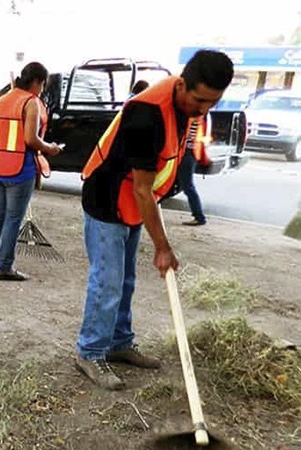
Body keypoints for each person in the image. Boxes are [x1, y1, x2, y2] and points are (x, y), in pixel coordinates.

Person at [75, 50, 233, 390]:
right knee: (108, 281)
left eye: (213, 103)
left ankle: (119, 343)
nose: (204, 110)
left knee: (126, 279)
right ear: (181, 85)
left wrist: (160, 239)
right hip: (107, 201)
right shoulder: (147, 113)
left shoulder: (185, 107)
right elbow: (143, 190)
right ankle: (90, 351)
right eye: (199, 100)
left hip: (132, 201)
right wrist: (163, 247)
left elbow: (148, 187)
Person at [0, 62, 63, 282]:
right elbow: (30, 139)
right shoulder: (31, 103)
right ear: (36, 81)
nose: (43, 89)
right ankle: (5, 266)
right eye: (43, 85)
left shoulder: (2, 99)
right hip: (19, 168)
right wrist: (50, 148)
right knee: (12, 218)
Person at [179, 118, 210, 226]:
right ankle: (199, 216)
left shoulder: (190, 119)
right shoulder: (200, 119)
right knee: (188, 186)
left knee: (188, 187)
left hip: (185, 155)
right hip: (192, 154)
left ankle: (199, 216)